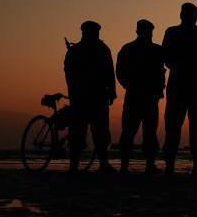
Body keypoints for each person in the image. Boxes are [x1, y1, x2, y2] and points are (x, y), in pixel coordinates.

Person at [162, 3, 197, 176]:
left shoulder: (177, 32)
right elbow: (166, 57)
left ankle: (181, 166)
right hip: (190, 82)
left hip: (187, 81)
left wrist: (196, 71)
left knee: (182, 124)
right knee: (186, 124)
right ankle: (190, 165)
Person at [64, 20, 116, 173]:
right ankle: (75, 165)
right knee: (78, 133)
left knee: (100, 133)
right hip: (82, 98)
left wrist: (111, 91)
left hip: (96, 97)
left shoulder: (101, 49)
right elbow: (69, 73)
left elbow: (109, 72)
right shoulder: (76, 51)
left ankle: (103, 163)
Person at [116, 19, 166, 174]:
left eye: (150, 32)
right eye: (148, 31)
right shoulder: (130, 49)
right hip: (137, 96)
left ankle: (147, 165)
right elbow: (120, 72)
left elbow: (160, 72)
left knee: (148, 132)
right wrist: (129, 85)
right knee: (131, 132)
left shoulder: (154, 50)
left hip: (148, 97)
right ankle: (126, 166)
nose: (149, 34)